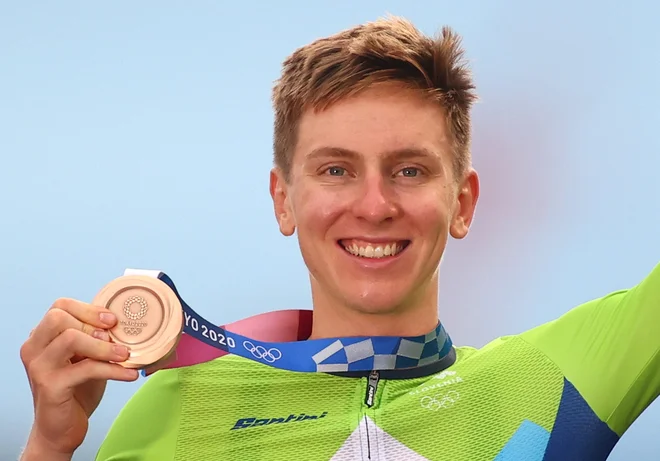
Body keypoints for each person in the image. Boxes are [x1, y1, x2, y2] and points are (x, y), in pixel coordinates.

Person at [19, 16, 660, 461]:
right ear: (284, 200)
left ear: (462, 203)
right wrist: (50, 447)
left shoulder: (552, 382)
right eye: (336, 170)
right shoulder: (183, 410)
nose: (375, 205)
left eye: (409, 170)